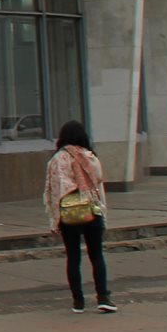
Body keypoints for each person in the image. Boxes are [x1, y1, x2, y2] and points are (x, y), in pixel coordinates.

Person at [43, 120, 114, 314]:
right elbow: (98, 186)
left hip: (69, 213)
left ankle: (78, 301)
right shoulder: (90, 157)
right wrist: (102, 213)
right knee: (96, 254)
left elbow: (55, 191)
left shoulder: (58, 159)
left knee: (73, 257)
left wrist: (55, 219)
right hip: (91, 209)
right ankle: (103, 297)